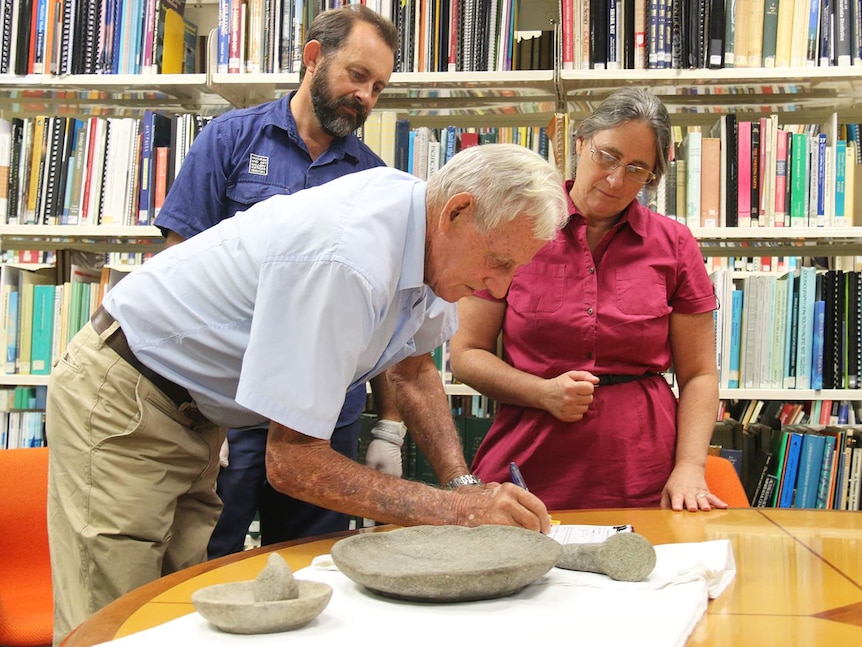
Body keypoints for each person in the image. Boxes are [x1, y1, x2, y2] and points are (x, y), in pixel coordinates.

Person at [46, 142, 569, 643]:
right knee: (115, 616)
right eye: (499, 262)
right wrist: (458, 513)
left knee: (172, 614)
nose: (499, 289)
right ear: (457, 211)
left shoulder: (432, 242)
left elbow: (414, 371)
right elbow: (294, 463)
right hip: (126, 393)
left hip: (196, 413)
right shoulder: (348, 257)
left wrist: (461, 484)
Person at [153, 5, 407, 558]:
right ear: (314, 58)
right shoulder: (230, 140)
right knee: (204, 566)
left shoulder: (373, 181)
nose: (365, 96)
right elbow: (176, 272)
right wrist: (187, 405)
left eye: (379, 87)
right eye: (357, 76)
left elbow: (383, 316)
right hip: (230, 410)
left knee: (312, 569)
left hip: (324, 420)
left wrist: (389, 424)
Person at [449, 88, 725, 514]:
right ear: (580, 143)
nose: (616, 180)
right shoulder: (516, 226)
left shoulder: (674, 244)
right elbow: (466, 353)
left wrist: (690, 466)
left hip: (642, 470)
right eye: (608, 157)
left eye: (637, 170)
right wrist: (541, 392)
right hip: (529, 462)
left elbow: (700, 374)